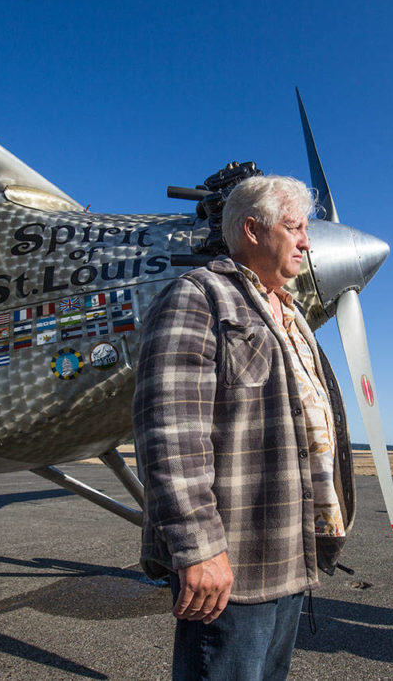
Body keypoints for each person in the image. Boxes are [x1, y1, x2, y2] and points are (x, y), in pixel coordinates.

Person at [133, 175, 352, 680]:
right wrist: (199, 548)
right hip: (233, 559)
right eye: (295, 228)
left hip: (290, 551)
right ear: (253, 230)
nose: (306, 241)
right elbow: (169, 434)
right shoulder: (197, 297)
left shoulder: (292, 317)